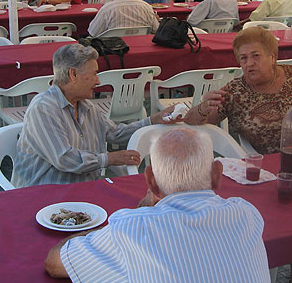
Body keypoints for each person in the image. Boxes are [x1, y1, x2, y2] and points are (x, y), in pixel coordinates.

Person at [183, 26, 292, 283]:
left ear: (273, 56)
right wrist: (203, 108)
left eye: (255, 56)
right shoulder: (235, 91)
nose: (249, 64)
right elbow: (194, 122)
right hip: (277, 166)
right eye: (243, 59)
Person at [46, 127, 270, 283]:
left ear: (151, 181)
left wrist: (140, 212)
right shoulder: (247, 214)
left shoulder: (132, 229)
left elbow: (55, 264)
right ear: (217, 176)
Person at [11, 43, 177, 187]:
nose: (98, 81)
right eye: (94, 74)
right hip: (43, 194)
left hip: (84, 189)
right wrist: (109, 159)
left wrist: (154, 120)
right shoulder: (44, 108)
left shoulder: (86, 105)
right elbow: (64, 159)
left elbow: (115, 133)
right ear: (73, 75)